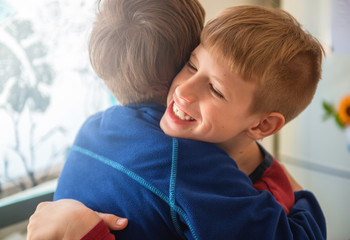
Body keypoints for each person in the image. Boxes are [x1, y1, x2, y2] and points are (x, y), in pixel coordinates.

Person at [28, 2, 326, 240]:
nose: (184, 89)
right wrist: (300, 196)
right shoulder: (191, 163)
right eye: (191, 64)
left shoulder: (93, 126)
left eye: (215, 89)